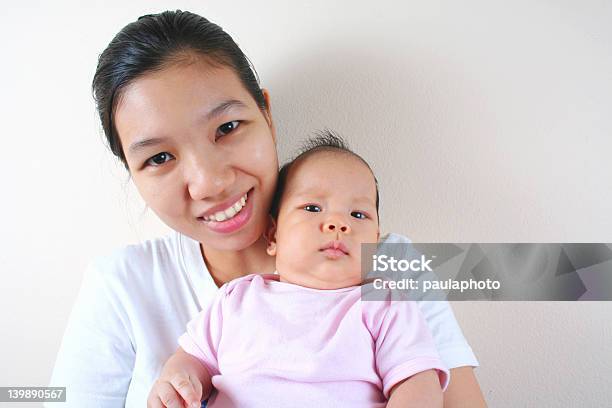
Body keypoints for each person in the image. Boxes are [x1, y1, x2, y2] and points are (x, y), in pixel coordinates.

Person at [48, 10, 486, 407]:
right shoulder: (119, 286)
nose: (210, 183)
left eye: (228, 127)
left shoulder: (391, 268)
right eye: (159, 158)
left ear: (267, 115)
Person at [148, 134, 450, 408]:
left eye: (358, 214)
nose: (338, 224)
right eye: (313, 208)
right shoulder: (236, 298)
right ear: (273, 235)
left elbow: (418, 383)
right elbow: (192, 359)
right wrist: (177, 382)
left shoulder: (383, 304)